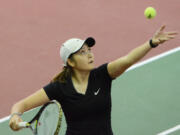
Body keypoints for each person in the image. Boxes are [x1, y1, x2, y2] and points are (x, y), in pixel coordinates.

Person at [9, 25, 177, 135]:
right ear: (70, 61)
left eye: (89, 49)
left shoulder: (102, 75)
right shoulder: (60, 87)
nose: (89, 54)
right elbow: (21, 105)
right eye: (82, 52)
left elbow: (128, 60)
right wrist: (15, 116)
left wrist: (151, 43)